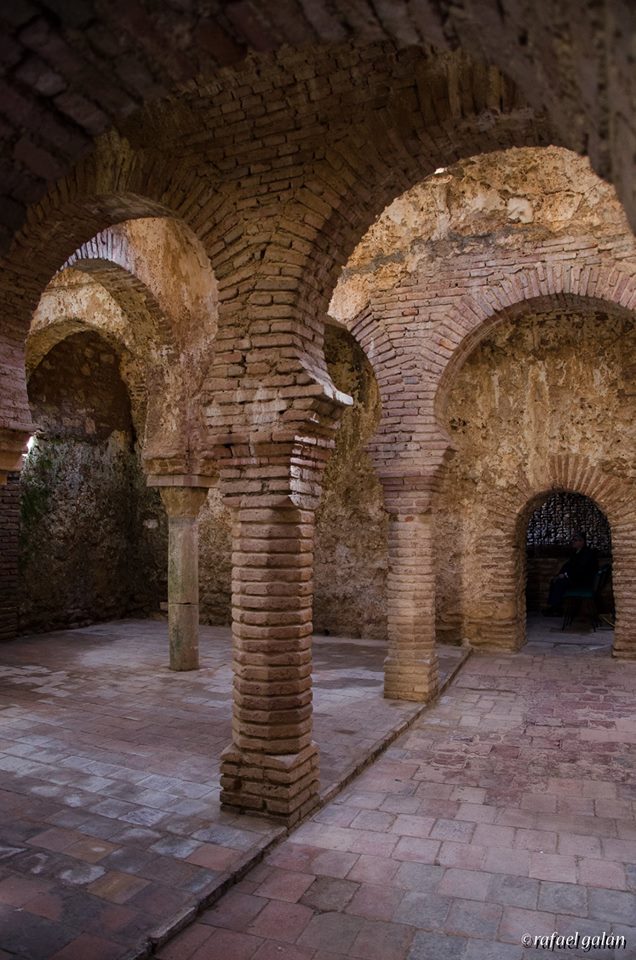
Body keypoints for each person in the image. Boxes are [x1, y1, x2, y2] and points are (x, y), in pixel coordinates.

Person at [544, 532, 598, 615]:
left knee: (559, 583)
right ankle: (555, 607)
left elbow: (581, 570)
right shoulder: (577, 552)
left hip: (582, 581)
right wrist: (560, 574)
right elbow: (568, 565)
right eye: (573, 540)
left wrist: (565, 575)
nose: (573, 542)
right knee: (555, 581)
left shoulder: (587, 554)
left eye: (575, 540)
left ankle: (556, 609)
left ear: (582, 542)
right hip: (576, 578)